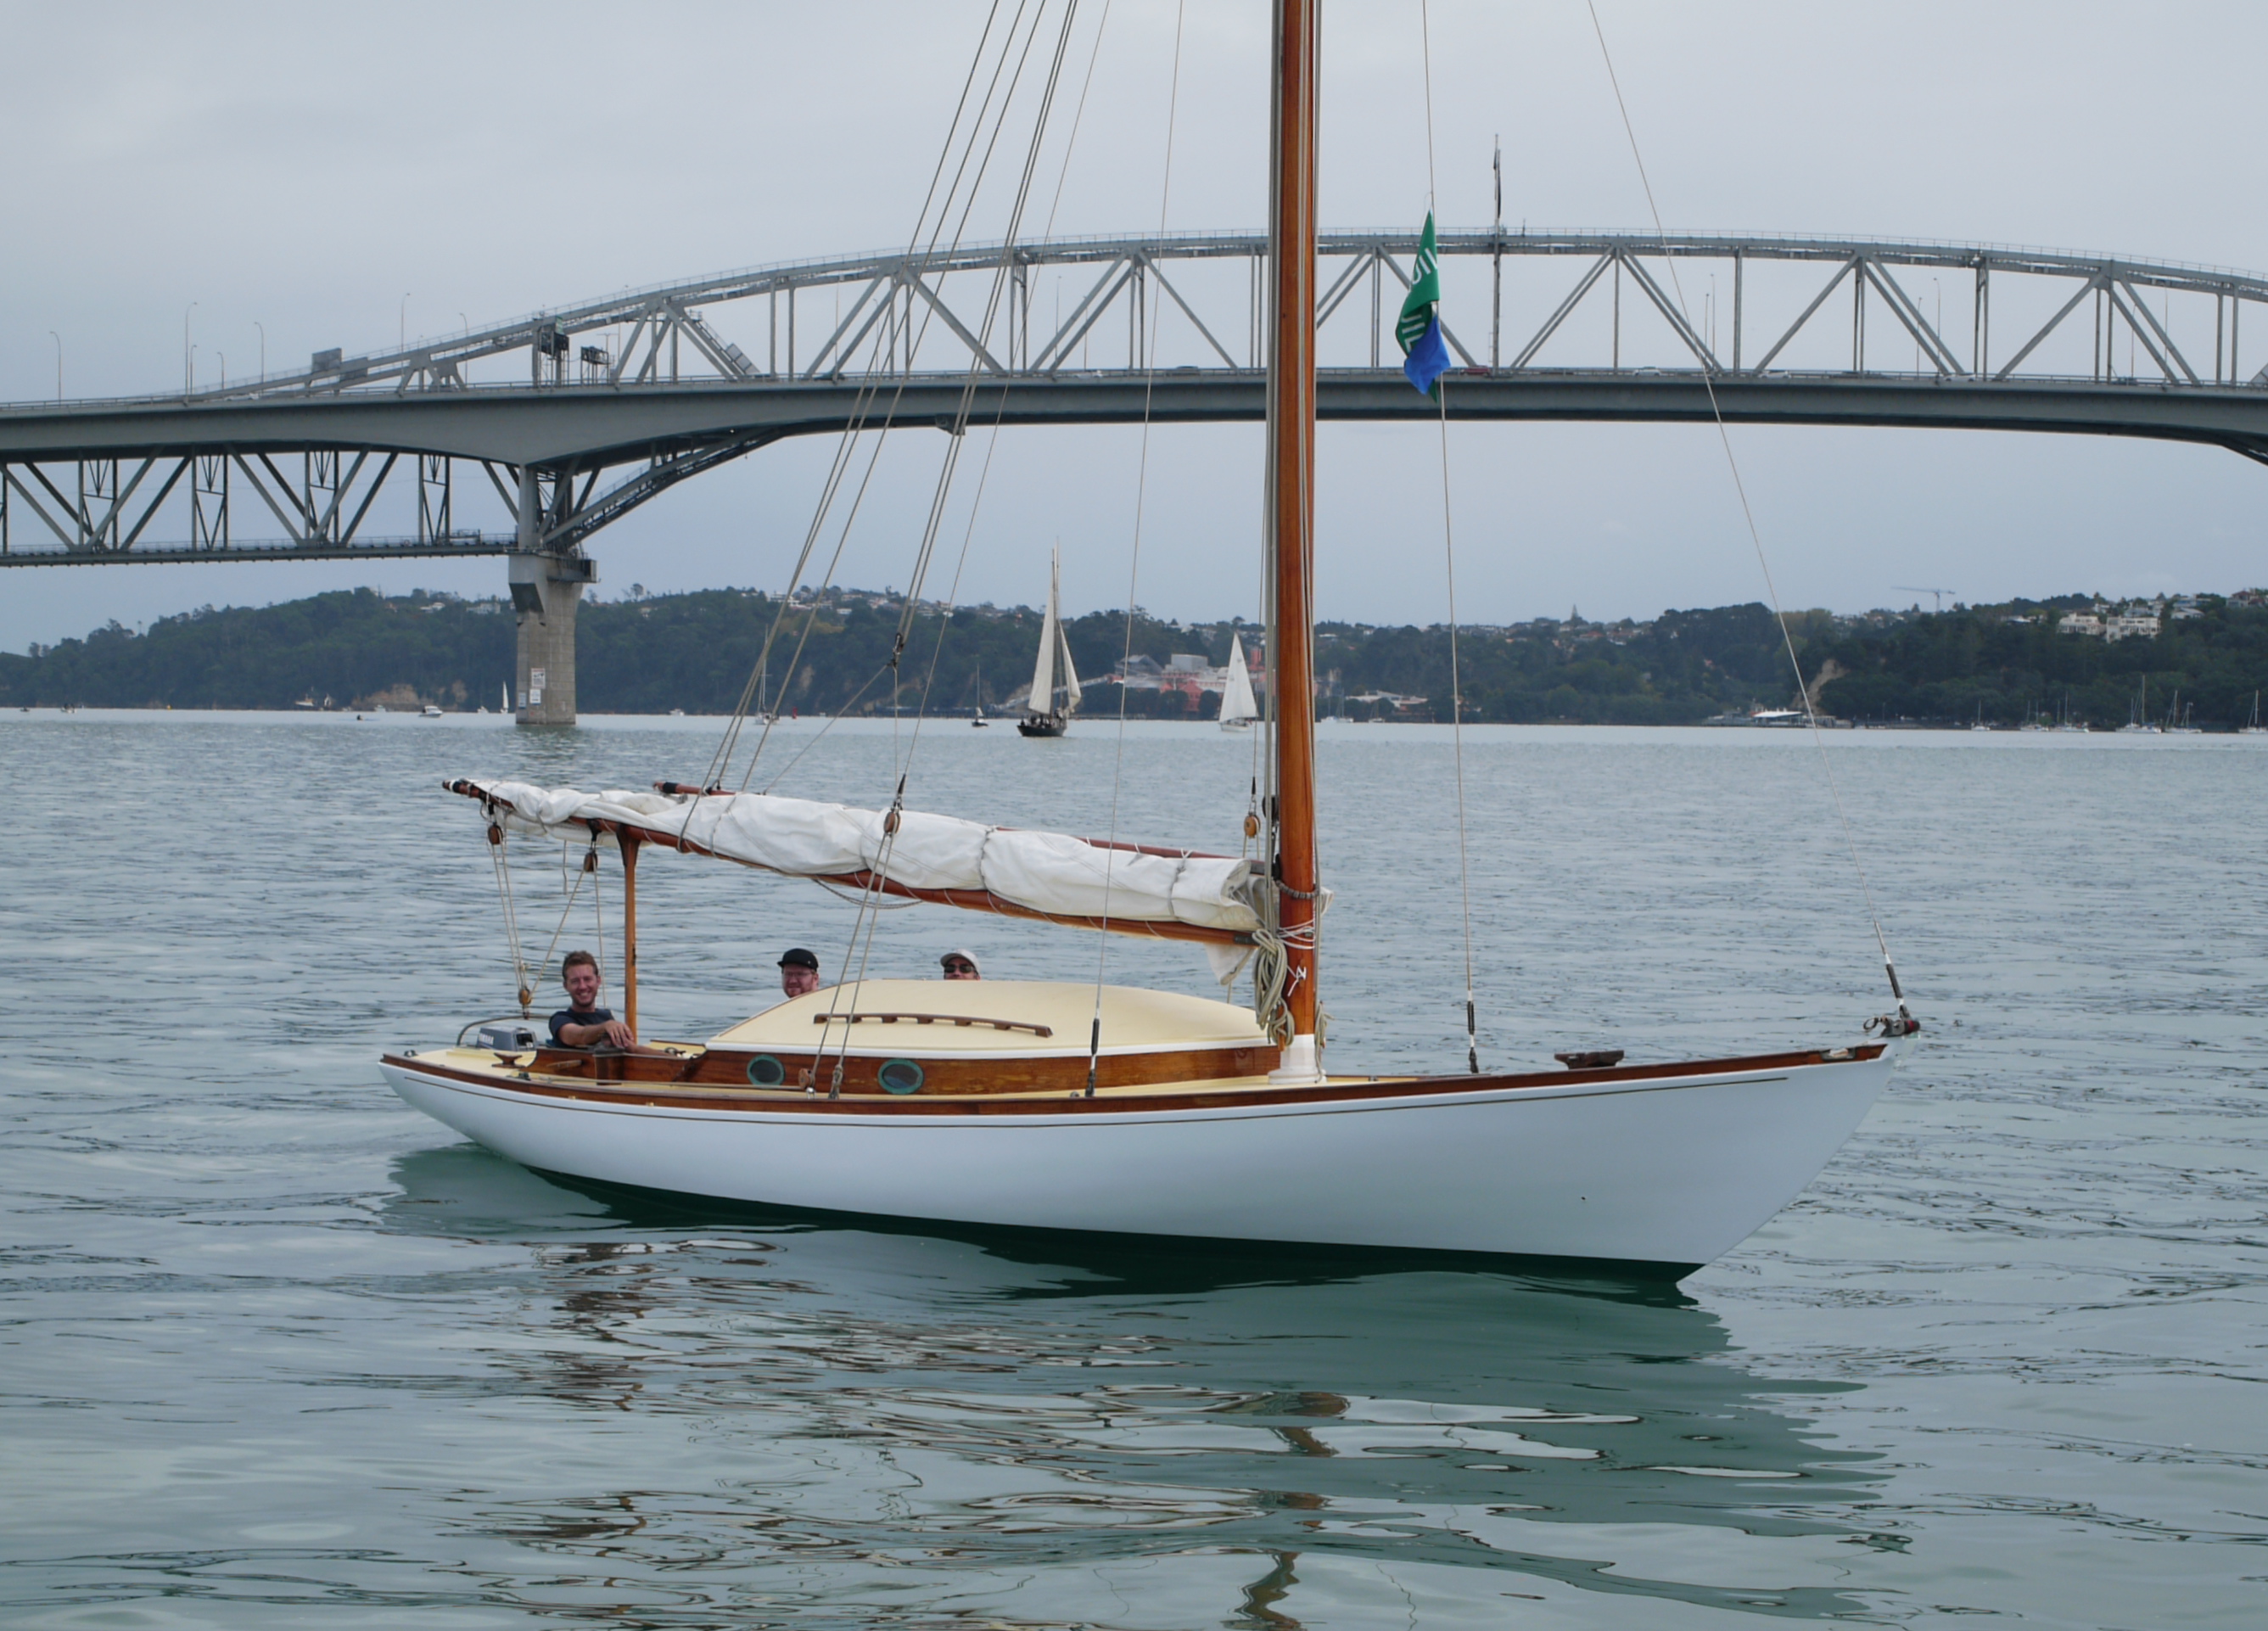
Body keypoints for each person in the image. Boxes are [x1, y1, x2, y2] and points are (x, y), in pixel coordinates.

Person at [550, 950, 635, 1048]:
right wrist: (605, 1028)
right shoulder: (559, 1020)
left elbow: (631, 1049)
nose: (582, 986)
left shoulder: (606, 1016)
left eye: (587, 979)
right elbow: (580, 1036)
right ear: (566, 986)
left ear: (598, 981)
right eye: (575, 981)